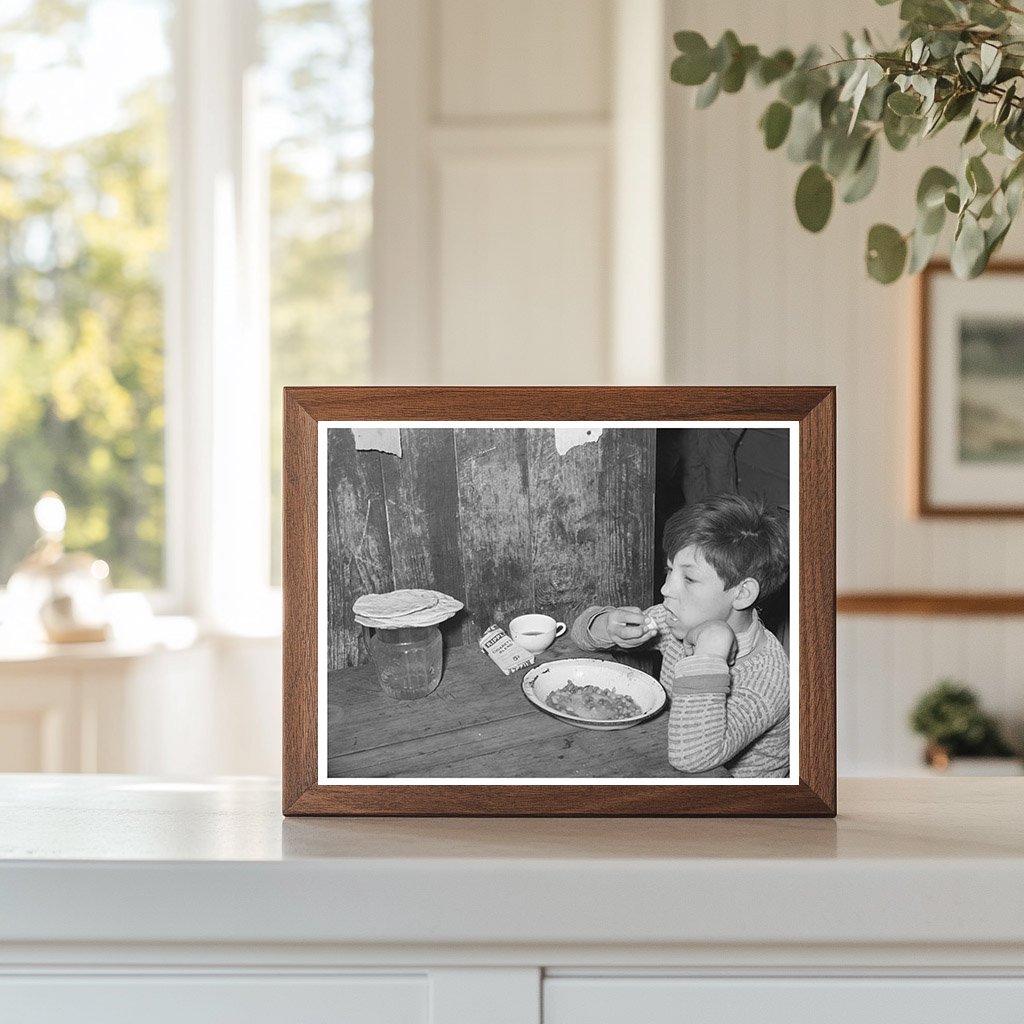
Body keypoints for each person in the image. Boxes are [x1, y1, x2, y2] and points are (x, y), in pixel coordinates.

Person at [570, 493, 790, 778]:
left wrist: (710, 654)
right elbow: (579, 633)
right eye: (670, 570)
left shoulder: (768, 680)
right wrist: (606, 624)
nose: (666, 589)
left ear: (742, 593)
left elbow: (692, 756)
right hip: (665, 755)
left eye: (689, 579)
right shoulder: (677, 620)